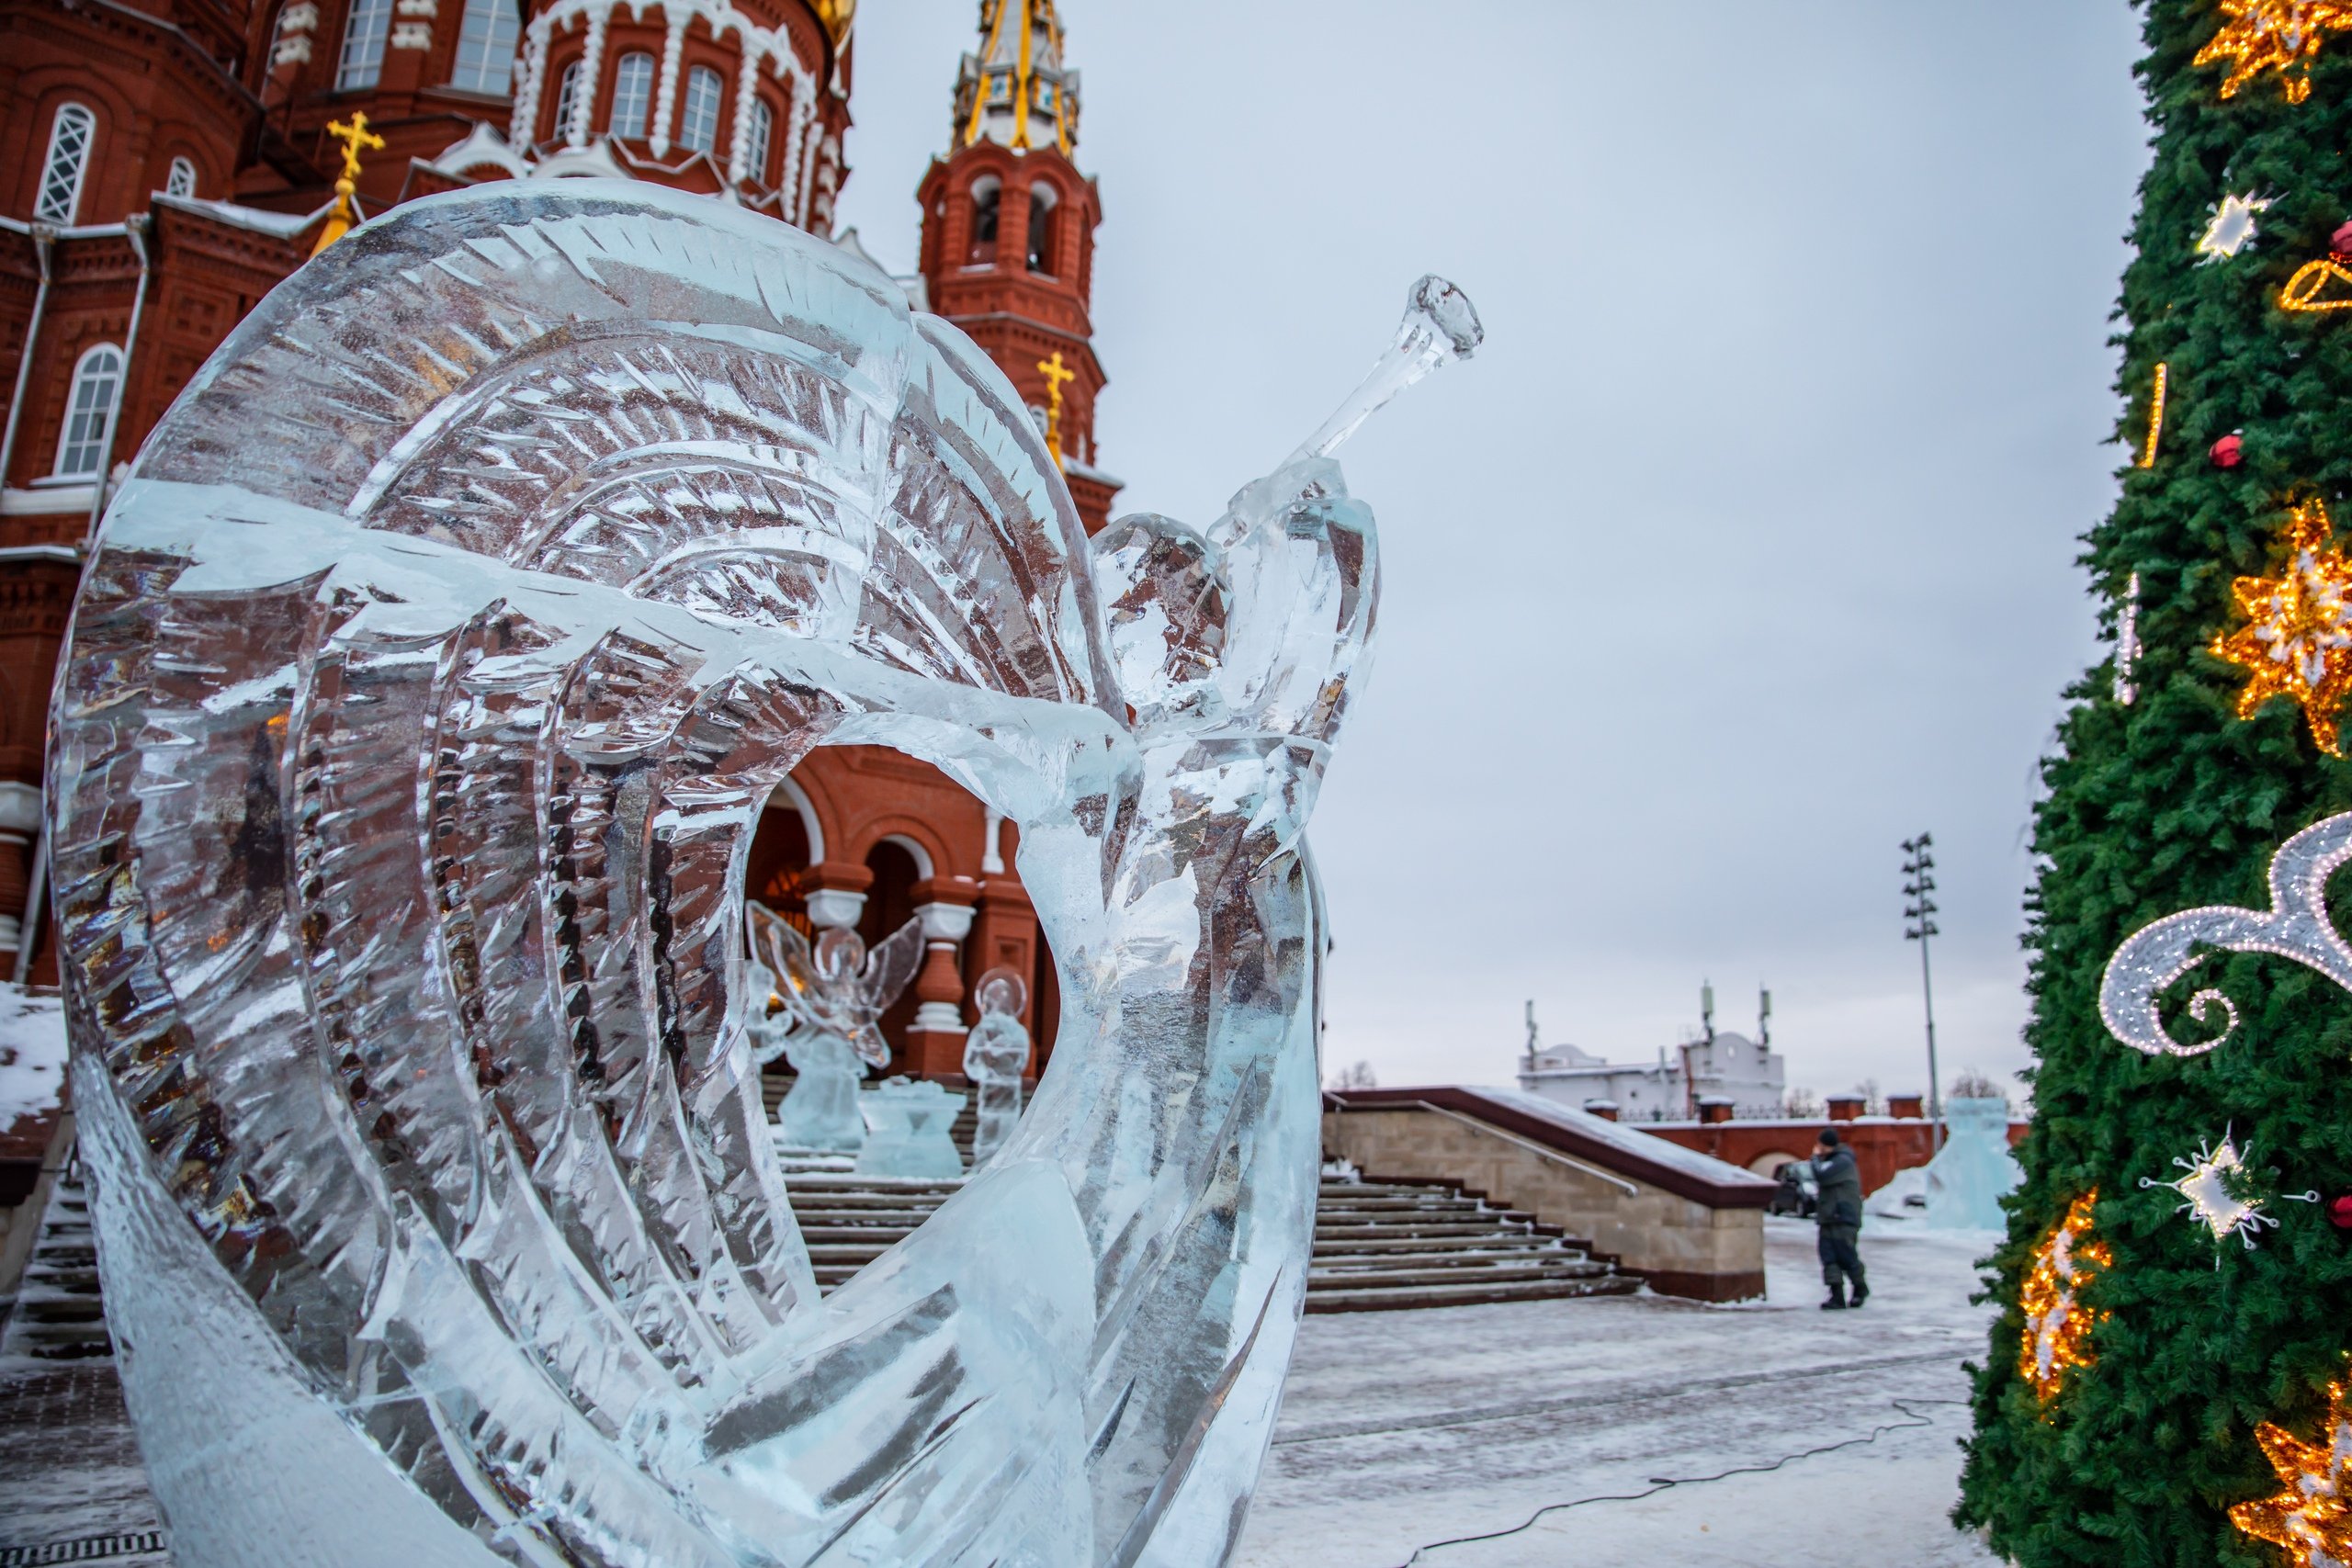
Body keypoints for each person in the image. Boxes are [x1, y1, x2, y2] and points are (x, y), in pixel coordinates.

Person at [1812, 1127, 1867, 1309]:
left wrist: (1814, 1158)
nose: (1818, 1147)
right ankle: (1836, 1295)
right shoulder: (1830, 1160)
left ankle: (1860, 1288)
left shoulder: (1843, 1161)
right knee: (1828, 1256)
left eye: (1821, 1144)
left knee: (1846, 1255)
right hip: (1829, 1216)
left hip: (1843, 1216)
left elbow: (1822, 1176)